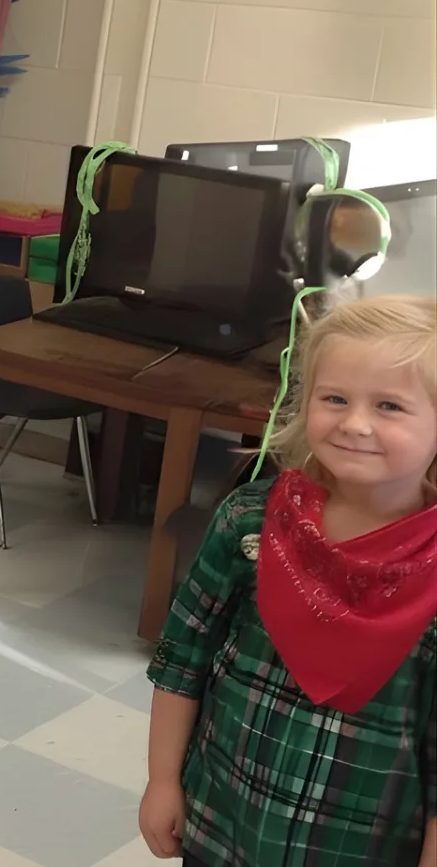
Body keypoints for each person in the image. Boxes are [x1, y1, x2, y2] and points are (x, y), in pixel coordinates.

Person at [139, 294, 437, 867]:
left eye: (390, 407)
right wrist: (162, 780)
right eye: (334, 398)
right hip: (222, 823)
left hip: (358, 846)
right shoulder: (249, 521)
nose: (354, 423)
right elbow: (182, 662)